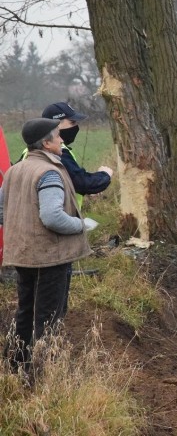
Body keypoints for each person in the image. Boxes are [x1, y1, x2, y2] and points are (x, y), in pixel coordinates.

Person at [0, 118, 92, 372]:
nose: (62, 139)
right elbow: (52, 217)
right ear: (46, 143)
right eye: (57, 136)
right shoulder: (48, 172)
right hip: (50, 255)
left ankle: (18, 368)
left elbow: (1, 211)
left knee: (25, 312)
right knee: (49, 317)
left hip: (22, 253)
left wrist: (24, 227)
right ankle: (44, 374)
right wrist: (81, 224)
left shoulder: (14, 170)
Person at [40, 102, 113, 206]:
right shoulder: (57, 152)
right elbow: (82, 183)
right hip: (58, 217)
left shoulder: (34, 149)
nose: (76, 126)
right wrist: (104, 175)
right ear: (56, 124)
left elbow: (72, 181)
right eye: (72, 122)